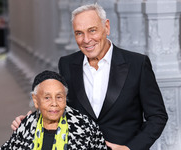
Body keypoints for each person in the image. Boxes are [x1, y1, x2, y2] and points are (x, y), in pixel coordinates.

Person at [11, 3, 168, 150]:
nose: (86, 40)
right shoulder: (67, 64)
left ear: (106, 27)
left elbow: (157, 116)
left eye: (92, 30)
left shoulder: (137, 64)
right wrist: (32, 121)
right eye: (79, 33)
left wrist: (130, 148)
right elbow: (63, 109)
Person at [0, 70, 108, 150]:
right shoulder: (26, 126)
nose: (54, 103)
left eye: (59, 97)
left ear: (65, 98)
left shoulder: (85, 126)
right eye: (47, 98)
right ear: (36, 100)